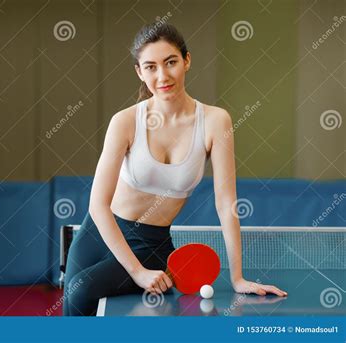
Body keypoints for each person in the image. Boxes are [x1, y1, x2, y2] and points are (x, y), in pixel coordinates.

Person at [63, 22, 287, 316]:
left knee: (82, 287)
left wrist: (237, 278)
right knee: (72, 301)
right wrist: (136, 273)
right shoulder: (125, 121)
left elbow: (225, 203)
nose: (162, 75)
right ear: (139, 72)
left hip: (150, 244)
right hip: (99, 231)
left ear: (187, 61)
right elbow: (98, 204)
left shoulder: (215, 121)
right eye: (151, 67)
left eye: (170, 62)